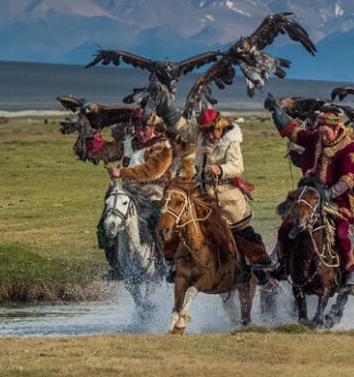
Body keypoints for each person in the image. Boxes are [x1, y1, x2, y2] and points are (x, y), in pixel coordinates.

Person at [158, 101, 272, 283]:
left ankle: (259, 265)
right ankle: (176, 264)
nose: (211, 136)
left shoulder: (231, 141)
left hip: (226, 194)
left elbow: (238, 166)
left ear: (220, 127)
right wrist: (167, 110)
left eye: (214, 131)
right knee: (182, 223)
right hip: (202, 194)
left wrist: (221, 169)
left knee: (242, 231)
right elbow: (184, 128)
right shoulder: (200, 134)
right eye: (207, 132)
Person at [265, 97, 354, 287]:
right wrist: (276, 112)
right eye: (321, 133)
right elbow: (293, 133)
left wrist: (328, 193)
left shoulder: (350, 148)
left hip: (337, 200)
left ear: (337, 130)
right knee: (286, 227)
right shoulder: (315, 138)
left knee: (342, 234)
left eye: (327, 134)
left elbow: (348, 180)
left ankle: (348, 270)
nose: (323, 138)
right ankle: (283, 265)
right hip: (309, 195)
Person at [87, 111, 173, 279]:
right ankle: (116, 266)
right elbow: (107, 153)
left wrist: (122, 173)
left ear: (153, 127)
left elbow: (151, 170)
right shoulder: (129, 142)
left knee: (157, 223)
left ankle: (165, 264)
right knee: (105, 224)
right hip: (128, 193)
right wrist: (94, 139)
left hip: (153, 194)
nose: (140, 134)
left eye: (144, 130)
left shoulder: (163, 146)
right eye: (137, 129)